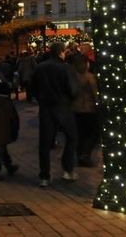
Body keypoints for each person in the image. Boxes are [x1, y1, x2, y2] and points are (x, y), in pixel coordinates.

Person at [33, 42, 78, 187]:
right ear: (61, 52)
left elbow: (33, 88)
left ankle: (44, 175)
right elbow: (73, 90)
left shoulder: (40, 68)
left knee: (45, 143)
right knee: (71, 138)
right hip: (63, 107)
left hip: (46, 108)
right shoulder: (66, 68)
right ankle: (67, 169)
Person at [71, 55, 99, 167]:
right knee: (93, 133)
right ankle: (85, 154)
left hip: (75, 109)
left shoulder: (72, 77)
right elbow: (95, 94)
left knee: (80, 133)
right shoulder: (90, 77)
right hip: (89, 109)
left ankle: (80, 155)